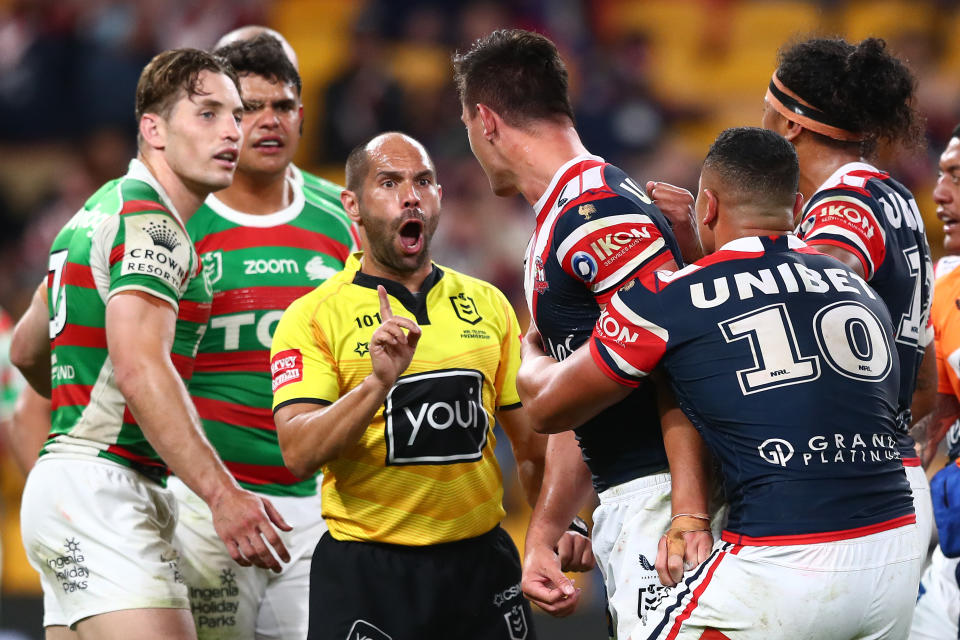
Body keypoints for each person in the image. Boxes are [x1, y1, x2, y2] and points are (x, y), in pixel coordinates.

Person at [519, 126, 922, 639]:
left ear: (706, 207)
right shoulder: (860, 289)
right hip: (896, 554)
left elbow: (549, 408)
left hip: (786, 554)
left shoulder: (671, 297)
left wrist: (534, 346)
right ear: (797, 206)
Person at [9, 49, 291, 640]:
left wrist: (80, 405)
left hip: (76, 485)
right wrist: (223, 495)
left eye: (235, 116)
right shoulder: (153, 227)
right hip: (105, 485)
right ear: (153, 129)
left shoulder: (91, 213)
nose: (232, 132)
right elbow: (140, 369)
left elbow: (29, 351)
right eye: (208, 114)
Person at [452, 28, 712, 635]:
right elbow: (596, 383)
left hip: (663, 506)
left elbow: (676, 365)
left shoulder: (599, 214)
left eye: (467, 127)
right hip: (634, 502)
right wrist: (549, 528)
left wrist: (687, 512)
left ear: (486, 121)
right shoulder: (565, 214)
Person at [271, 132, 546, 640]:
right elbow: (298, 452)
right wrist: (377, 385)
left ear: (439, 196)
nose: (411, 195)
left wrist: (553, 535)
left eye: (422, 181)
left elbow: (530, 444)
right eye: (390, 182)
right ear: (351, 204)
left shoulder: (490, 304)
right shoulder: (311, 318)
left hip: (481, 566)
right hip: (370, 574)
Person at [168, 32, 358, 640]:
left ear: (303, 113)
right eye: (249, 109)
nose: (268, 123)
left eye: (283, 106)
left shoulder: (342, 219)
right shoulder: (178, 216)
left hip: (316, 507)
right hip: (204, 503)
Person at [760, 37, 936, 563]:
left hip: (843, 485)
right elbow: (922, 383)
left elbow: (830, 276)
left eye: (766, 110)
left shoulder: (841, 204)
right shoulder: (896, 198)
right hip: (894, 473)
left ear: (791, 124)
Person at [909, 125, 960, 639]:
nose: (939, 194)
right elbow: (932, 430)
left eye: (958, 178)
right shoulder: (942, 284)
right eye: (941, 176)